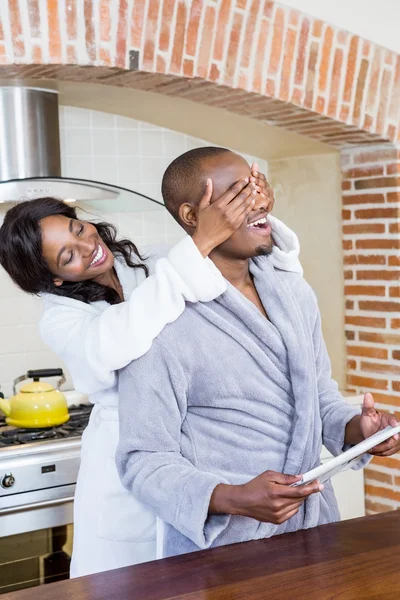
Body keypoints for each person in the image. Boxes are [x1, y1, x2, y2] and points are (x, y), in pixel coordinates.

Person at [0, 162, 303, 577]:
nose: (87, 246)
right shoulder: (61, 319)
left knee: (197, 580)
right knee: (138, 583)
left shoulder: (155, 265)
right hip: (130, 470)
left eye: (77, 230)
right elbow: (117, 340)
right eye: (68, 256)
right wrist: (200, 243)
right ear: (53, 279)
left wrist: (252, 211)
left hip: (189, 453)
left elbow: (261, 267)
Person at [116, 147, 400, 558]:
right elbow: (143, 460)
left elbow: (319, 400)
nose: (259, 202)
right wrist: (231, 497)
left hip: (315, 531)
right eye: (235, 194)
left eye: (256, 186)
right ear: (192, 216)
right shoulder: (160, 318)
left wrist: (360, 432)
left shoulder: (293, 293)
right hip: (222, 548)